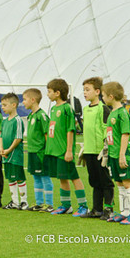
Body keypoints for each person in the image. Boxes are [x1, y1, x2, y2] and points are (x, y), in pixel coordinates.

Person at [45, 78, 89, 216]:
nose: (47, 94)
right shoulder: (53, 109)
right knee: (62, 178)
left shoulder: (66, 109)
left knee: (74, 177)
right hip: (54, 151)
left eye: (49, 91)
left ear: (57, 93)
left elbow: (70, 130)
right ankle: (66, 205)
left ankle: (83, 206)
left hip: (64, 151)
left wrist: (69, 150)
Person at [102, 81, 130, 224]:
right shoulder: (112, 112)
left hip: (121, 155)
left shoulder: (122, 113)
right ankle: (124, 212)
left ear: (111, 96)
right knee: (119, 183)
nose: (103, 98)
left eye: (104, 95)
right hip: (113, 154)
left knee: (127, 182)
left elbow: (125, 134)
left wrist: (122, 154)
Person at [79, 77, 115, 218]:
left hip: (100, 152)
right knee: (94, 181)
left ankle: (108, 209)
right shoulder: (85, 109)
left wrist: (106, 149)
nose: (85, 93)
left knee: (106, 181)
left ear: (97, 91)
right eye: (84, 90)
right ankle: (96, 209)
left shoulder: (103, 109)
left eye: (88, 90)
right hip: (89, 151)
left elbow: (107, 130)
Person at [23, 88, 54, 212]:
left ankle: (50, 204)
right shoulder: (31, 115)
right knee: (36, 177)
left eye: (24, 99)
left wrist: (48, 152)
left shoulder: (42, 115)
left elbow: (47, 135)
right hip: (32, 152)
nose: (23, 102)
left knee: (45, 176)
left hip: (41, 152)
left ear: (33, 100)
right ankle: (40, 203)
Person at [0, 93, 26, 210]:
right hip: (5, 154)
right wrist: (1, 149)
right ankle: (14, 202)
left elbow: (18, 138)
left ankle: (24, 202)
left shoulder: (18, 120)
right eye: (2, 105)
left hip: (15, 155)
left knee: (19, 177)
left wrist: (9, 149)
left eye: (4, 105)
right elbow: (1, 136)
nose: (2, 107)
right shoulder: (4, 121)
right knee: (10, 178)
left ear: (14, 105)